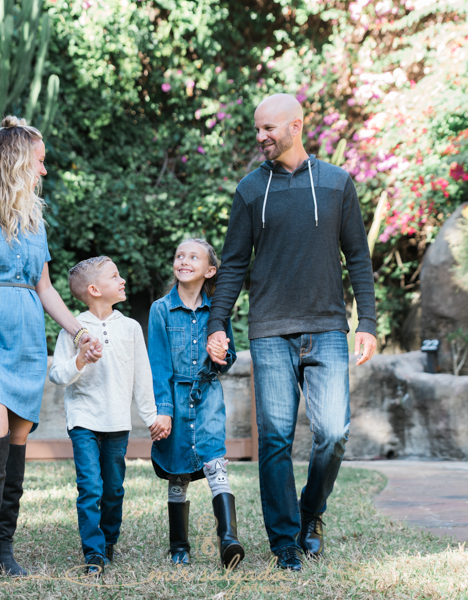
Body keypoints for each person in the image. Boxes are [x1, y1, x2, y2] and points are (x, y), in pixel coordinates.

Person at [206, 94, 378, 571]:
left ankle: (310, 514)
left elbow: (358, 258)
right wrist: (217, 323)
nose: (261, 137)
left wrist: (368, 322)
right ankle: (285, 543)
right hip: (269, 330)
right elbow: (235, 264)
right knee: (276, 438)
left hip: (326, 326)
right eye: (257, 129)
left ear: (296, 126)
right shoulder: (248, 190)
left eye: (269, 129)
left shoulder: (337, 183)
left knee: (334, 434)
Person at [0, 116, 102, 582]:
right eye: (40, 162)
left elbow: (45, 288)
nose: (44, 171)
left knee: (17, 441)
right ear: (14, 161)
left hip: (26, 341)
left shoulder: (34, 220)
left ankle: (5, 548)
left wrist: (77, 329)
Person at [49, 256, 171, 576]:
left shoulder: (130, 328)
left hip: (117, 421)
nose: (123, 280)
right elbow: (58, 375)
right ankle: (93, 552)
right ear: (94, 289)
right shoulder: (74, 329)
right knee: (90, 487)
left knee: (113, 488)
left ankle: (109, 540)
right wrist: (80, 359)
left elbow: (141, 376)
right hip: (83, 420)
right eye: (114, 276)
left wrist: (150, 416)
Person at [148, 239, 244, 569]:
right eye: (179, 255)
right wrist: (164, 410)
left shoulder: (217, 308)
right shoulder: (160, 309)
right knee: (179, 472)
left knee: (216, 462)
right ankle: (179, 545)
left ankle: (229, 538)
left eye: (194, 257)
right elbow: (158, 366)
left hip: (208, 398)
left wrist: (222, 355)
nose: (184, 260)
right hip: (175, 399)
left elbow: (228, 356)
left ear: (210, 270)